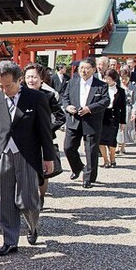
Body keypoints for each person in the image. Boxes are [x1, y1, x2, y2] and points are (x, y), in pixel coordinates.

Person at [0, 61, 56, 255]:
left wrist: (48, 157)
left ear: (19, 80)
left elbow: (45, 130)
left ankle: (33, 226)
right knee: (4, 200)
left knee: (28, 200)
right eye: (1, 85)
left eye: (9, 85)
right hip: (2, 154)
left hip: (27, 154)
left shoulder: (36, 98)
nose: (5, 89)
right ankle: (10, 240)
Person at [59, 57, 108, 188]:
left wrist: (89, 108)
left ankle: (89, 177)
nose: (83, 71)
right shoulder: (72, 83)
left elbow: (105, 101)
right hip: (74, 120)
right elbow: (65, 97)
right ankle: (77, 167)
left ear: (93, 69)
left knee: (90, 151)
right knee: (68, 148)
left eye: (86, 68)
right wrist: (68, 107)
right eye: (81, 68)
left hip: (91, 121)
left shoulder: (101, 85)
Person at [24, 63, 63, 204]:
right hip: (25, 138)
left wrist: (47, 129)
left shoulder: (49, 95)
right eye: (28, 77)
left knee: (42, 170)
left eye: (34, 77)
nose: (31, 80)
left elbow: (61, 117)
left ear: (41, 79)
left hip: (43, 139)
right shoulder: (19, 94)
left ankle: (41, 197)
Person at [98, 69, 126, 169]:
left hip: (114, 116)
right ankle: (105, 160)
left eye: (108, 78)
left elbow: (123, 107)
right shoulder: (100, 89)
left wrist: (123, 121)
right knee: (101, 139)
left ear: (114, 79)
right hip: (102, 115)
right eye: (105, 78)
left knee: (112, 139)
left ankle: (112, 158)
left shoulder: (121, 91)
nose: (106, 81)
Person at [120, 69, 136, 154]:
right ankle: (117, 145)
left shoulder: (134, 87)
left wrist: (134, 112)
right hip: (119, 108)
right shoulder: (118, 86)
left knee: (126, 127)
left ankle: (123, 145)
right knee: (118, 127)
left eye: (125, 78)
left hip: (128, 108)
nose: (124, 81)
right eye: (122, 78)